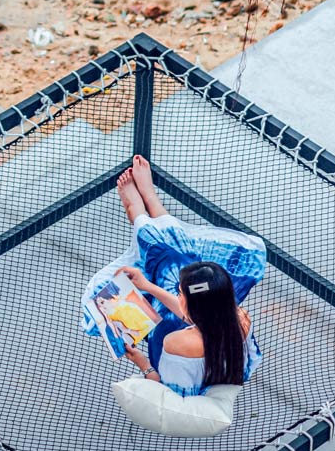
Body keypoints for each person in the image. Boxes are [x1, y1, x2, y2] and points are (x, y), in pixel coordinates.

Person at [81, 156, 265, 398]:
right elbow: (193, 316)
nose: (177, 295)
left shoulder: (176, 342)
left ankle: (140, 211)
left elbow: (168, 392)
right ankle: (145, 208)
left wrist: (141, 361)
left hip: (189, 383)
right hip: (212, 360)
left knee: (169, 261)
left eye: (179, 293)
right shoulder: (238, 317)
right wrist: (147, 286)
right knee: (181, 260)